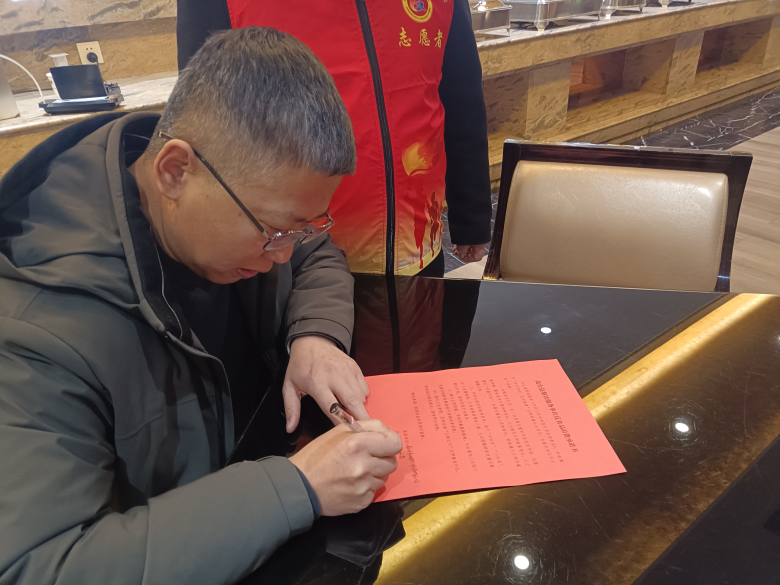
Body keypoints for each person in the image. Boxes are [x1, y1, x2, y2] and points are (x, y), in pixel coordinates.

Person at [0, 28, 401, 584]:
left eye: (298, 228)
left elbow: (314, 254)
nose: (282, 253)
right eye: (273, 230)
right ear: (174, 171)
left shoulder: (236, 201)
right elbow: (43, 566)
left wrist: (315, 336)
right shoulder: (34, 333)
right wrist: (296, 488)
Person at [177, 0, 493, 277]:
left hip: (417, 242)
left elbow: (460, 93)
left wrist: (472, 215)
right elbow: (205, 118)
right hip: (290, 254)